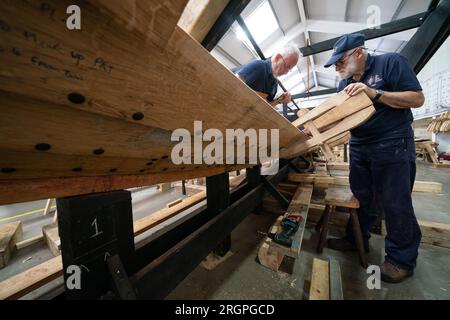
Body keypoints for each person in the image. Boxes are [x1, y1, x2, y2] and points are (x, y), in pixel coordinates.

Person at [323, 33, 425, 283]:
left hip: (392, 143)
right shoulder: (343, 85)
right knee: (361, 197)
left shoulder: (391, 63)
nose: (337, 67)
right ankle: (356, 238)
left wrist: (375, 93)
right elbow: (340, 117)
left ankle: (401, 260)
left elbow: (417, 98)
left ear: (359, 53)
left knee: (395, 201)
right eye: (334, 64)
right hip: (360, 146)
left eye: (340, 61)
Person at [236, 44, 300, 107]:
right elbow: (234, 83)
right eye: (286, 66)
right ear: (277, 57)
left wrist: (279, 100)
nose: (286, 72)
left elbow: (265, 107)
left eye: (289, 69)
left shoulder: (274, 85)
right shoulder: (258, 66)